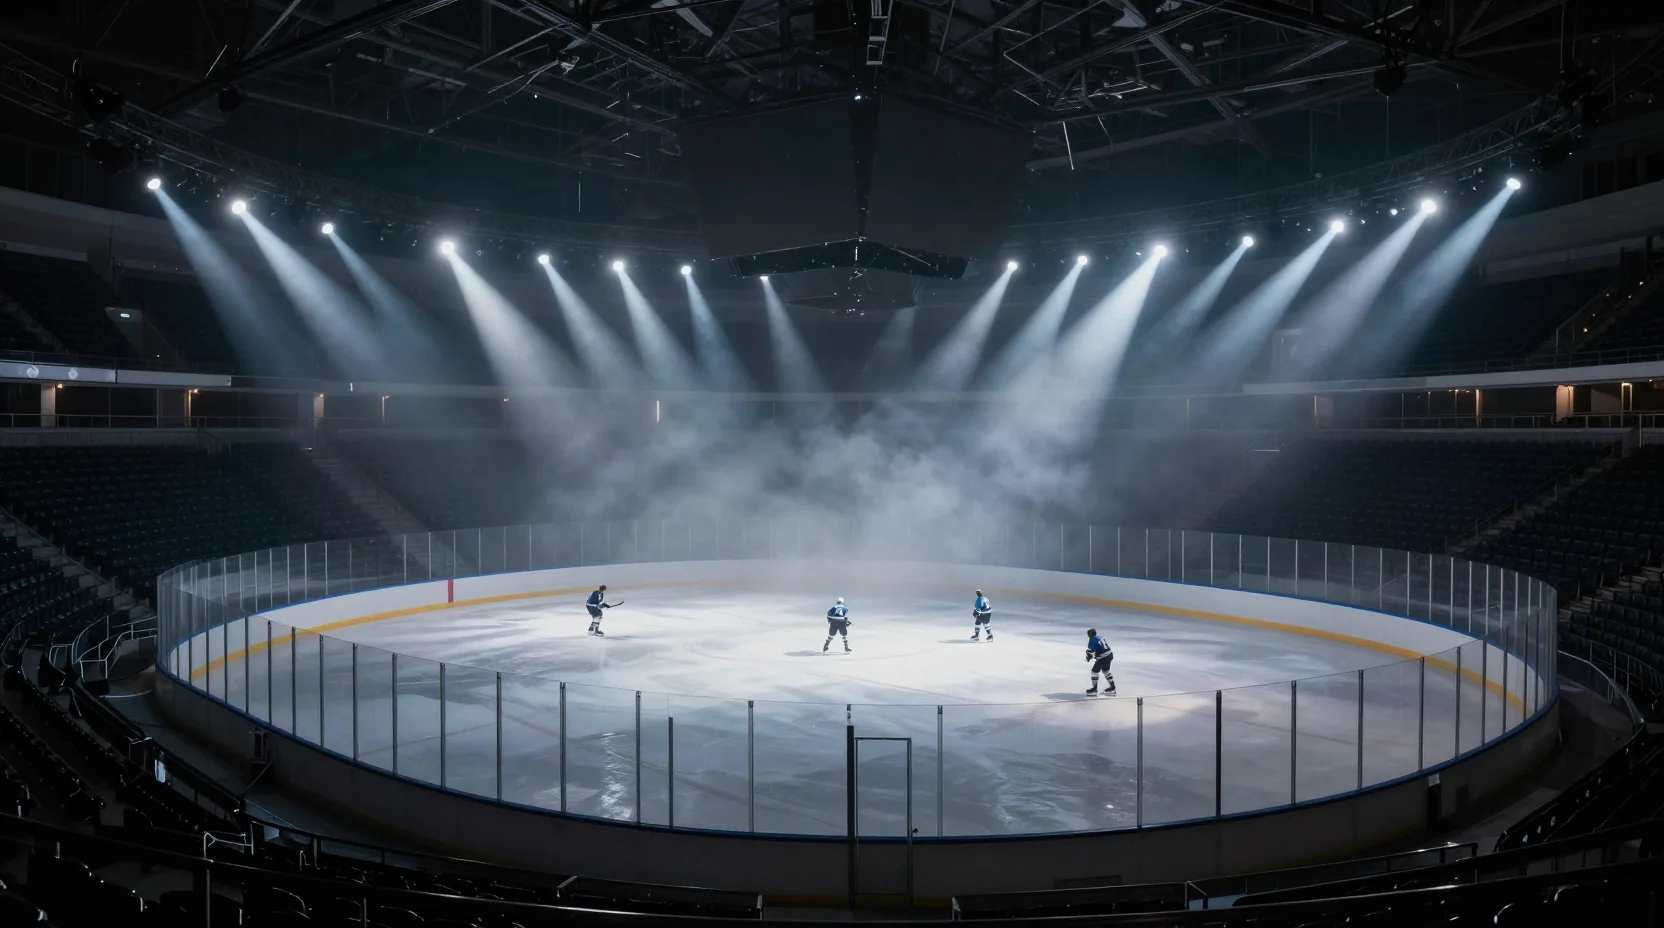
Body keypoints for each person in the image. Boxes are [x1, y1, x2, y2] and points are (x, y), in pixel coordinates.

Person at [1085, 627, 1115, 696]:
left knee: (1094, 671)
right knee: (1106, 670)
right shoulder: (1100, 637)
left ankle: (1094, 689)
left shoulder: (1092, 640)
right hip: (1110, 655)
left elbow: (1090, 652)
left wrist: (1088, 657)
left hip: (1103, 657)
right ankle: (1112, 687)